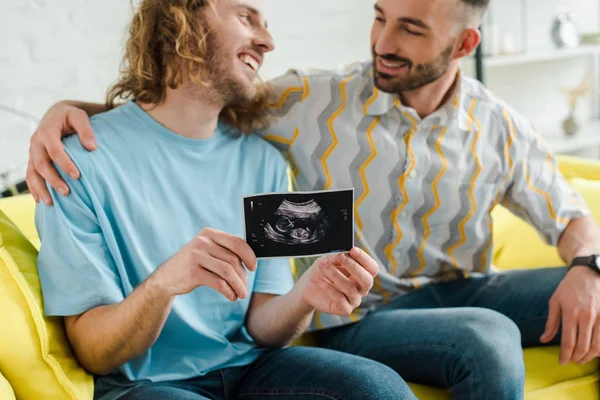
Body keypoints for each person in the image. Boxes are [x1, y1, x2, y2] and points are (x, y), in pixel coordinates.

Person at [27, 0, 600, 398]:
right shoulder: (310, 99)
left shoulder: (265, 157)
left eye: (412, 29)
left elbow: (569, 212)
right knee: (487, 337)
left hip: (430, 299)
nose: (383, 41)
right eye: (380, 19)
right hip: (351, 316)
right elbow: (179, 104)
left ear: (464, 44)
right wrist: (62, 115)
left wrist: (588, 265)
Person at [32, 0, 416, 399]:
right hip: (145, 386)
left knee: (377, 387)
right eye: (246, 17)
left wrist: (305, 295)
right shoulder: (75, 160)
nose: (267, 42)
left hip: (249, 367)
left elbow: (262, 327)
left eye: (265, 25)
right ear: (181, 17)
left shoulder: (261, 160)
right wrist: (164, 285)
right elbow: (95, 353)